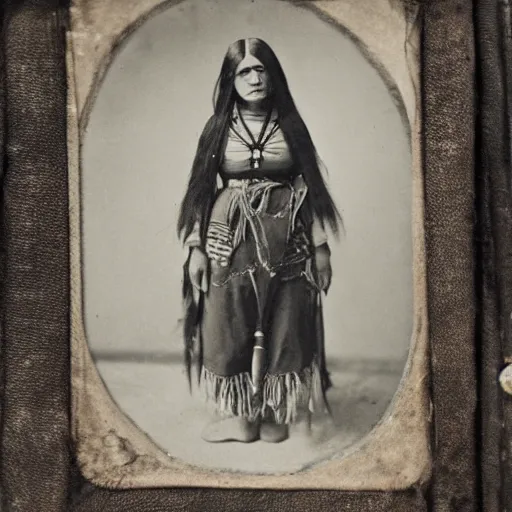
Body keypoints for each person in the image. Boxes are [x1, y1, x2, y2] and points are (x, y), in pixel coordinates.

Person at [178, 38, 341, 444]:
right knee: (230, 322)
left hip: (287, 237)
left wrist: (321, 250)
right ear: (230, 80)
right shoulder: (218, 128)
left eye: (260, 69)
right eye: (243, 72)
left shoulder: (291, 126)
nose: (253, 78)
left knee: (285, 322)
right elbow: (200, 190)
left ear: (273, 74)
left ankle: (273, 414)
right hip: (228, 239)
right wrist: (195, 248)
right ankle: (243, 416)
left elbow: (313, 190)